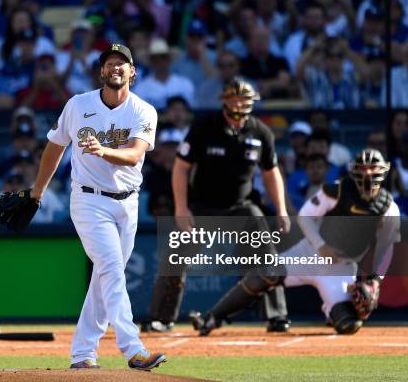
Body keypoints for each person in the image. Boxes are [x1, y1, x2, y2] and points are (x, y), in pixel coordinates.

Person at [28, 44, 166, 370]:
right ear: (101, 72)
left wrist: (103, 151)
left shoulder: (144, 111)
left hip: (127, 202)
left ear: (133, 72)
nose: (116, 67)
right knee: (113, 270)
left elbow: (134, 155)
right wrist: (37, 191)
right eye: (109, 63)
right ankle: (133, 349)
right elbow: (55, 145)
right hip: (89, 199)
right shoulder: (78, 105)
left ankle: (82, 354)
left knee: (105, 280)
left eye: (122, 63)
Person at [195, 149, 400, 335]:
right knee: (266, 274)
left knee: (348, 325)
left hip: (340, 267)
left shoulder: (388, 208)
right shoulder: (335, 191)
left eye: (373, 168)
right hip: (310, 252)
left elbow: (386, 247)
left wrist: (375, 280)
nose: (368, 174)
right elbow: (305, 216)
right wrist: (321, 245)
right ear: (354, 170)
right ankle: (213, 317)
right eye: (363, 168)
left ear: (383, 171)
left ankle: (332, 309)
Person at [143, 77, 291, 334]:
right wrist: (181, 208)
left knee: (267, 256)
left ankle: (277, 317)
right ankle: (161, 318)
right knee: (174, 258)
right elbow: (180, 168)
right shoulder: (204, 127)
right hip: (202, 206)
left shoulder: (261, 132)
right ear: (224, 101)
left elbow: (271, 173)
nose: (238, 104)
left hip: (242, 207)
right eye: (233, 99)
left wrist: (281, 210)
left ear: (251, 102)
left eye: (243, 99)